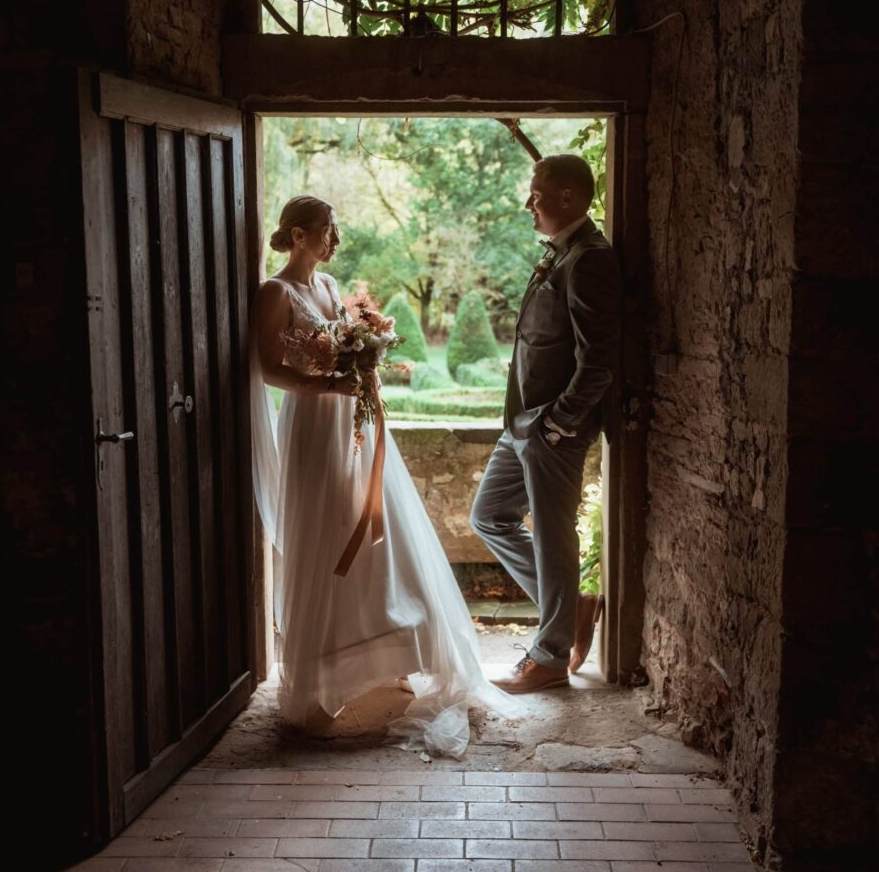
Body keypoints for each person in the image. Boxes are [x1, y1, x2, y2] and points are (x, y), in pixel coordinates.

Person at [249, 193, 514, 756]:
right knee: (322, 538)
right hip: (312, 426)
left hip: (352, 422)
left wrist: (364, 353)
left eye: (335, 228)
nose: (334, 239)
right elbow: (268, 367)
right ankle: (317, 684)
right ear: (297, 236)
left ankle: (386, 652)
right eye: (326, 229)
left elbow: (343, 349)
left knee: (376, 537)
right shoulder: (276, 291)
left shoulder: (327, 285)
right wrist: (328, 384)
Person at [470, 154, 621, 694]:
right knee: (488, 516)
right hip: (523, 425)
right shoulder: (562, 254)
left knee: (555, 538)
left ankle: (550, 657)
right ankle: (573, 609)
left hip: (551, 428)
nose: (527, 205)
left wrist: (559, 423)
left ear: (566, 199)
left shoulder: (589, 260)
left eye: (536, 196)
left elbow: (599, 359)